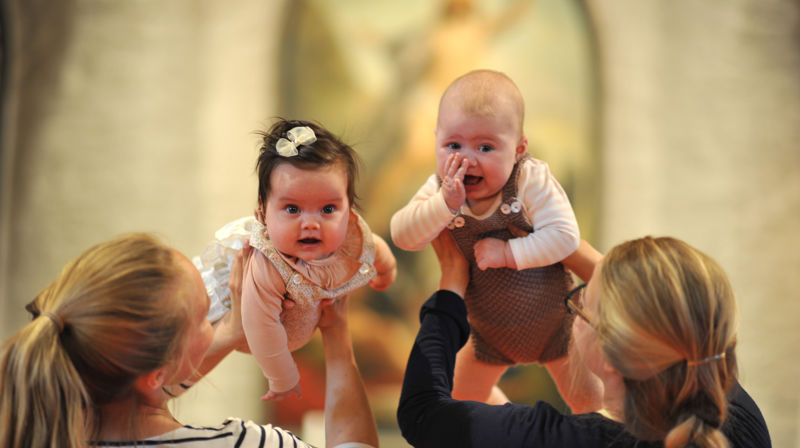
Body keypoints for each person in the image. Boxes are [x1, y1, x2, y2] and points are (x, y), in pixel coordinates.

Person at [0, 233, 379, 447]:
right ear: (156, 375)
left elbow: (144, 388)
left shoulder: (49, 433)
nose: (216, 308)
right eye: (203, 315)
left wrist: (230, 332)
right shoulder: (242, 444)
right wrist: (337, 337)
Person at [397, 232, 771, 447]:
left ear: (609, 355)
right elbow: (666, 305)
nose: (574, 305)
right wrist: (554, 238)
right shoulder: (734, 414)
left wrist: (450, 284)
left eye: (581, 303)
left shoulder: (582, 441)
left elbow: (423, 414)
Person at [390, 69, 583, 406]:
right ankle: (508, 422)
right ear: (436, 141)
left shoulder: (529, 179)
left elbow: (565, 237)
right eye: (453, 145)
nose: (467, 158)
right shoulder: (439, 188)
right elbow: (402, 234)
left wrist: (508, 253)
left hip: (556, 326)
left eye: (485, 147)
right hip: (488, 334)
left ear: (519, 149)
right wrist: (443, 205)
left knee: (588, 401)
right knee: (462, 404)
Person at [194, 119, 397, 401]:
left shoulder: (350, 240)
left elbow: (377, 249)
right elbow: (261, 327)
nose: (310, 223)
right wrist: (282, 379)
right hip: (246, 328)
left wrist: (386, 273)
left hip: (301, 327)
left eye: (328, 209)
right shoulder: (267, 264)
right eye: (292, 209)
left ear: (349, 212)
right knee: (187, 343)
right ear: (263, 213)